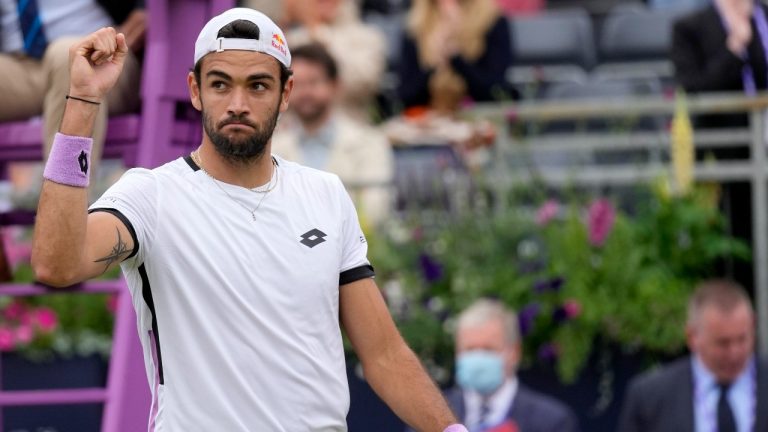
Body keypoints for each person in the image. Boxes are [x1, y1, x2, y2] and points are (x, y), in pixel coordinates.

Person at [30, 7, 468, 431]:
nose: (237, 103)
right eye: (220, 84)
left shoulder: (326, 195)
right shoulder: (151, 195)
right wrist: (84, 101)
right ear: (196, 90)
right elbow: (57, 263)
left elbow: (384, 354)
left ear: (286, 93)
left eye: (258, 86)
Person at [0, 0, 144, 172]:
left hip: (103, 56)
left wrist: (146, 8)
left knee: (72, 58)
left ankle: (66, 196)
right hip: (19, 64)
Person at [618, 279, 768, 432]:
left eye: (742, 339)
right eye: (723, 343)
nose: (734, 352)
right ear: (692, 337)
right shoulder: (650, 397)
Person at [271, 42, 393, 226]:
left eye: (313, 82)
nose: (305, 92)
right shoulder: (272, 147)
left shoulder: (370, 143)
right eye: (298, 84)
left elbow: (375, 212)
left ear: (335, 85)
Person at [437, 299, 580, 432]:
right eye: (469, 349)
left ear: (515, 352)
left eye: (488, 349)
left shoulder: (552, 422)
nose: (477, 358)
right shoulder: (433, 414)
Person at [398, 0, 514, 113]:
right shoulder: (414, 27)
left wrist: (457, 58)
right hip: (427, 122)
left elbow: (494, 90)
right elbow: (406, 97)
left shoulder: (492, 21)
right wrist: (434, 64)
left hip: (478, 118)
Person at [280, 0, 387, 116]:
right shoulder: (293, 39)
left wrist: (319, 34)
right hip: (298, 127)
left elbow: (364, 83)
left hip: (352, 123)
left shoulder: (367, 37)